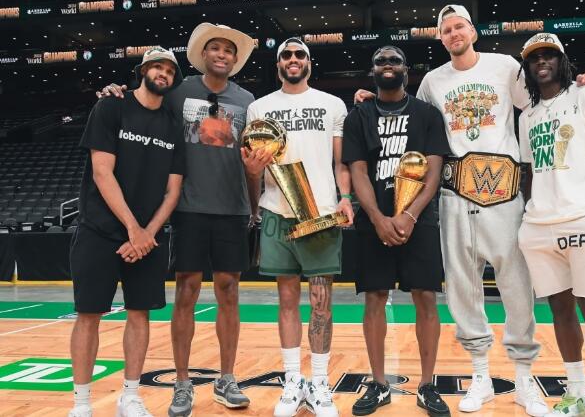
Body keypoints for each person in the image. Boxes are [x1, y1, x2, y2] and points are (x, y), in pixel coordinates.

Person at [356, 4, 585, 415]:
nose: (454, 34)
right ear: (440, 38)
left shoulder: (504, 66)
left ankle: (523, 380)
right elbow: (412, 118)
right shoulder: (433, 81)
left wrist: (580, 84)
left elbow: (543, 98)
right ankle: (481, 377)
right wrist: (372, 100)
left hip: (505, 192)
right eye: (446, 29)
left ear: (473, 31)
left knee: (516, 287)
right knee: (463, 289)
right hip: (455, 193)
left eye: (460, 27)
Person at [97, 23, 269, 417]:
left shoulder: (248, 100)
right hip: (188, 207)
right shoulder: (178, 92)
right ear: (203, 54)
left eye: (229, 50)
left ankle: (227, 379)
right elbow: (143, 102)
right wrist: (116, 92)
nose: (222, 55)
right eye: (215, 48)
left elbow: (252, 159)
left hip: (232, 208)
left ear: (235, 59)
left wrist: (254, 205)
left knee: (229, 291)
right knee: (186, 291)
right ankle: (181, 382)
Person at [516, 33, 585, 417]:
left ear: (562, 61)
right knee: (560, 312)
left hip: (583, 218)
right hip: (539, 224)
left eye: (549, 55)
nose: (541, 62)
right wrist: (530, 209)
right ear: (527, 68)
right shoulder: (526, 116)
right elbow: (529, 172)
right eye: (534, 58)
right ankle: (576, 394)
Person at [69, 47, 186, 417]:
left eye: (169, 70)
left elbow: (173, 191)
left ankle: (130, 397)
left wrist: (146, 233)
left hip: (147, 239)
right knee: (89, 315)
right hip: (99, 230)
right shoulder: (111, 107)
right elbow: (102, 172)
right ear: (142, 71)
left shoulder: (172, 124)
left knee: (140, 314)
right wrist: (133, 229)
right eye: (157, 66)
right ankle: (81, 404)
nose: (163, 73)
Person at [246, 37, 354, 417]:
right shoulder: (259, 107)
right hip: (277, 210)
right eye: (286, 55)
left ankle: (320, 382)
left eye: (299, 55)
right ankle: (293, 381)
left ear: (309, 62)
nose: (293, 60)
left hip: (320, 212)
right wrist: (252, 175)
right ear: (278, 64)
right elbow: (253, 165)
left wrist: (345, 196)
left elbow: (341, 162)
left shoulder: (332, 104)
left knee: (321, 302)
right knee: (287, 299)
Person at [343, 46, 451, 416]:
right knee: (375, 298)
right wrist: (377, 217)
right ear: (372, 70)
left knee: (426, 297)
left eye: (394, 61)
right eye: (380, 61)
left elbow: (433, 171)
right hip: (373, 221)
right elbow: (358, 171)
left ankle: (427, 384)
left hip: (419, 221)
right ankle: (378, 383)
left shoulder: (427, 114)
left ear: (406, 69)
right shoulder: (359, 115)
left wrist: (410, 215)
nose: (387, 65)